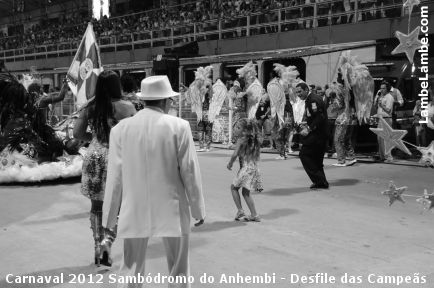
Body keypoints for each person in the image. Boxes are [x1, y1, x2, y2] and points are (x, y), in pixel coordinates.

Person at [102, 75, 205, 287]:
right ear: (166, 101)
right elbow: (190, 171)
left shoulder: (119, 130)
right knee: (178, 270)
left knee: (131, 269)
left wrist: (109, 219)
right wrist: (198, 210)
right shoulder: (179, 126)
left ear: (144, 100)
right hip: (172, 209)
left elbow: (115, 178)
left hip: (135, 208)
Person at [73, 70, 136, 267]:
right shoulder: (127, 107)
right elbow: (133, 135)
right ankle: (107, 244)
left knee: (97, 207)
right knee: (116, 206)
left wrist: (94, 140)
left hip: (94, 155)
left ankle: (97, 249)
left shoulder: (90, 107)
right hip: (118, 157)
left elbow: (77, 133)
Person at [295, 82, 329, 189]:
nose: (298, 94)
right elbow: (313, 116)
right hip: (320, 134)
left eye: (300, 91)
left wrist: (308, 129)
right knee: (317, 159)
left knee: (305, 155)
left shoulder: (313, 100)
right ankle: (322, 182)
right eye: (297, 92)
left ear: (306, 90)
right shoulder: (310, 99)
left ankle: (320, 181)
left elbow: (319, 117)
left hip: (318, 135)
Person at [227, 118, 261, 222]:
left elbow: (235, 154)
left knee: (233, 188)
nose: (235, 129)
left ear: (245, 130)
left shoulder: (240, 140)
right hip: (254, 168)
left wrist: (230, 163)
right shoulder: (253, 139)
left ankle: (240, 210)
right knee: (246, 193)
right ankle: (254, 215)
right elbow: (244, 149)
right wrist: (234, 146)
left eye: (238, 127)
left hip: (245, 168)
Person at [373, 81, 395, 162]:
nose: (381, 90)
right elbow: (376, 107)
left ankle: (389, 157)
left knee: (386, 139)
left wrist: (381, 105)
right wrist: (376, 100)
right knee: (380, 138)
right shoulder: (381, 97)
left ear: (387, 89)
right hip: (381, 119)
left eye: (383, 88)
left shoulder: (389, 97)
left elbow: (388, 110)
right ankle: (382, 156)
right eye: (380, 88)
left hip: (386, 119)